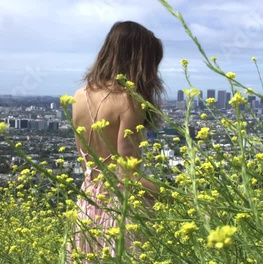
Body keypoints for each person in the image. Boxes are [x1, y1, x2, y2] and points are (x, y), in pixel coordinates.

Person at [68, 21, 165, 262]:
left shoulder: (79, 96)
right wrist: (178, 197)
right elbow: (127, 176)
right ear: (139, 62)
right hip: (119, 214)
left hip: (87, 206)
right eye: (152, 64)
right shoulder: (129, 101)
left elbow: (86, 164)